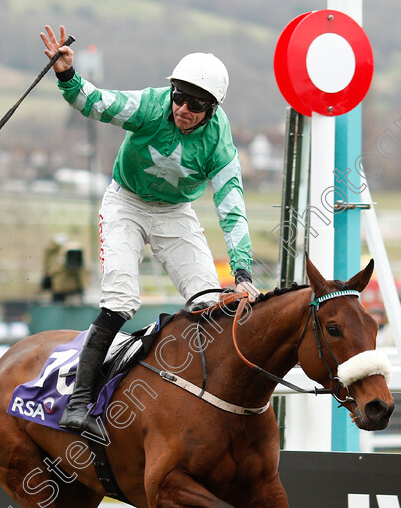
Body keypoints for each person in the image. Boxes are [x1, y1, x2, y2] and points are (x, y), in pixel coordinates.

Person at [40, 25, 261, 434]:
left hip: (176, 213)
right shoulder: (150, 104)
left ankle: (203, 403)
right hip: (126, 202)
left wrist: (243, 273)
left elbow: (232, 208)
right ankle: (80, 403)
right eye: (179, 96)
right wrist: (67, 75)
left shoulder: (221, 143)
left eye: (195, 104)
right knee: (122, 300)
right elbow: (97, 104)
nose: (182, 109)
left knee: (209, 305)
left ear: (213, 109)